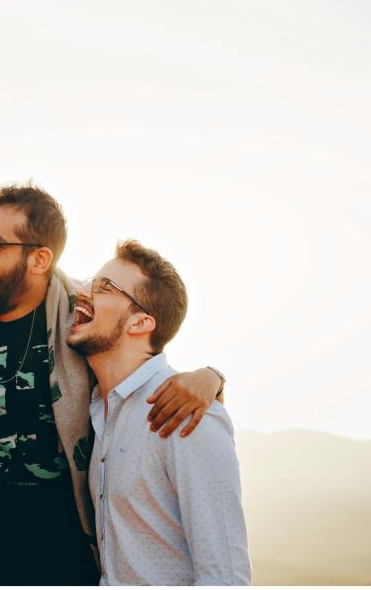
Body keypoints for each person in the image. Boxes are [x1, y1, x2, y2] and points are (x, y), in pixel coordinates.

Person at [0, 183, 227, 585]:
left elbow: (143, 347)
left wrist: (211, 377)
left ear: (39, 258)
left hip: (73, 569)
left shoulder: (80, 316)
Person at [67, 239, 250, 585]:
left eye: (104, 287)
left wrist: (214, 378)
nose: (83, 291)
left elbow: (224, 576)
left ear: (140, 323)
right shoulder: (98, 411)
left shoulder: (188, 413)